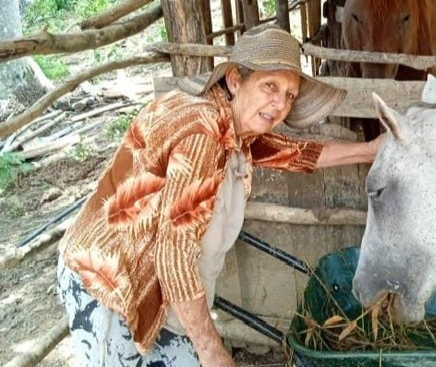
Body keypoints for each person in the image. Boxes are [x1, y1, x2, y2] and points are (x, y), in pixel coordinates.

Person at [57, 25, 384, 366]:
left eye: (289, 94)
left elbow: (293, 152)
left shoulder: (232, 125)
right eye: (270, 86)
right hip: (111, 284)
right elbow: (175, 256)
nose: (280, 104)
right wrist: (211, 350)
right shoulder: (204, 137)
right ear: (235, 80)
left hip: (158, 286)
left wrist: (369, 150)